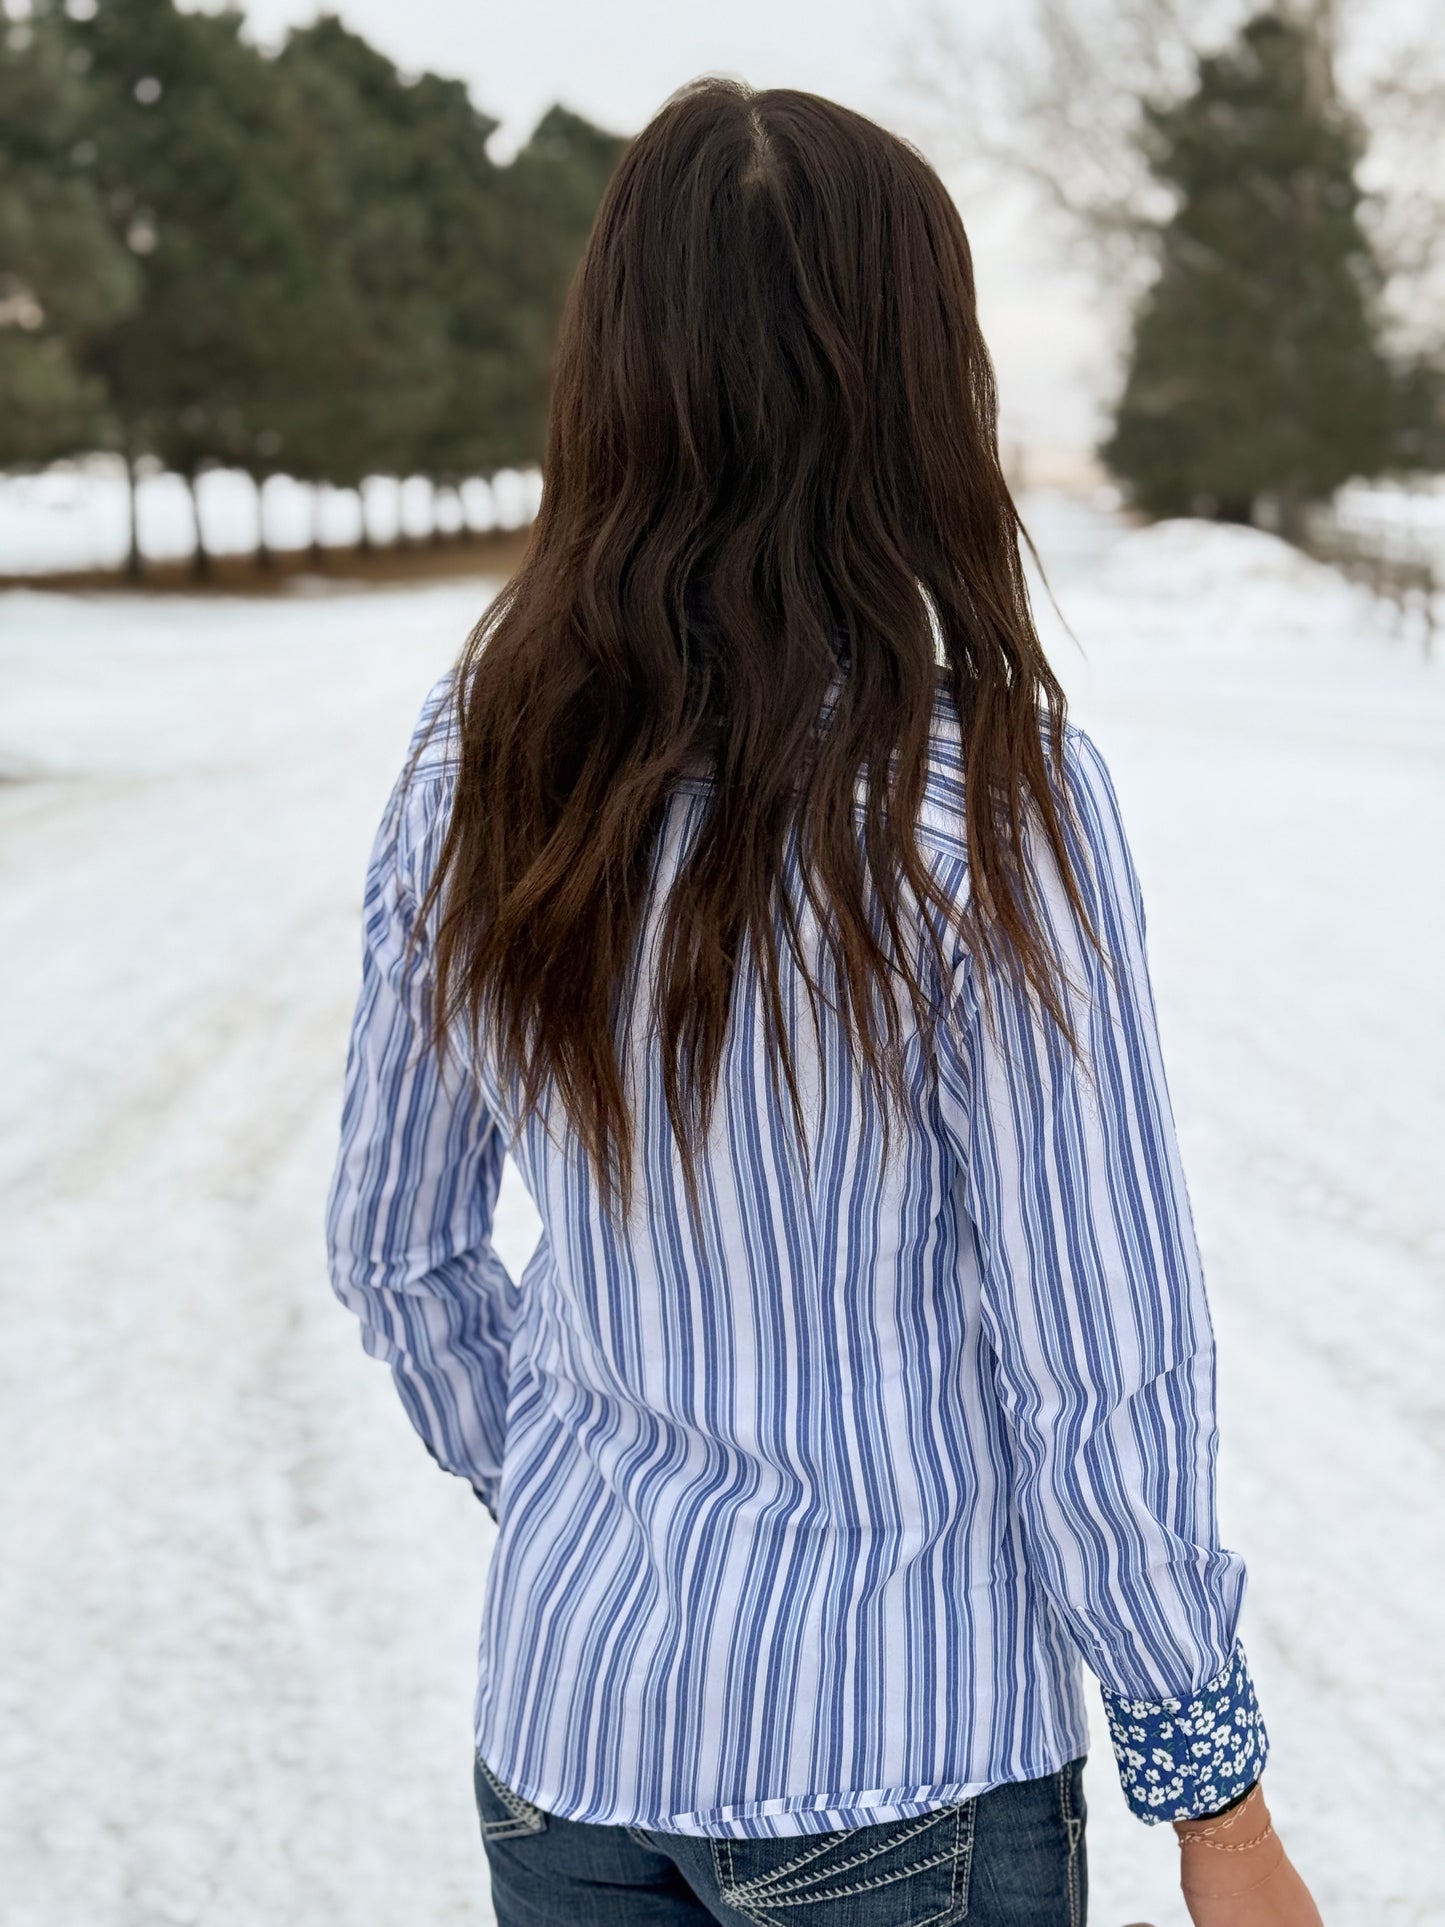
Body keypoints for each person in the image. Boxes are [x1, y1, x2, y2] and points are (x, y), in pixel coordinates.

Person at [325, 79, 1323, 1927]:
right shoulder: (985, 805)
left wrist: (563, 1507)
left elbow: (397, 1253)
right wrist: (1216, 1796)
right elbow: (1094, 1342)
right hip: (906, 1764)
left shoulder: (470, 766)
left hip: (569, 1745)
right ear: (915, 393)